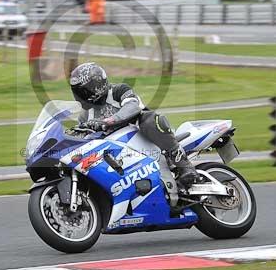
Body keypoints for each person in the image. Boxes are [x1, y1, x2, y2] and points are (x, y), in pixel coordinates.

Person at [69, 62, 198, 188]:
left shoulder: (118, 91)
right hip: (117, 152)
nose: (80, 96)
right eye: (77, 92)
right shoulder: (85, 114)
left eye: (83, 92)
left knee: (149, 119)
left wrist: (109, 121)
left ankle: (184, 164)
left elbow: (132, 106)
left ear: (97, 86)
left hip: (146, 139)